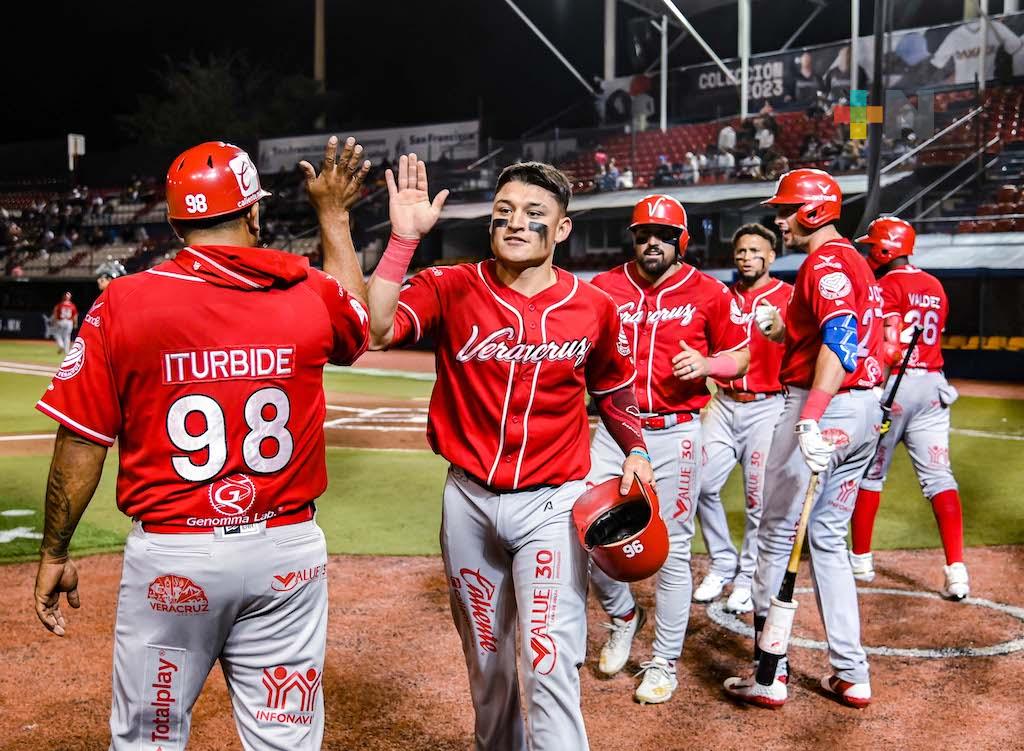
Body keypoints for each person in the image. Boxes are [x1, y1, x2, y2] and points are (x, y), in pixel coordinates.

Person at [32, 137, 372, 750]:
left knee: (147, 739)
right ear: (252, 213)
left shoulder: (123, 303)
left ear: (174, 222)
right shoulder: (308, 292)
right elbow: (358, 324)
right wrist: (332, 215)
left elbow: (81, 440)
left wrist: (56, 549)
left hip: (175, 560)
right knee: (285, 741)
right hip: (285, 553)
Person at [366, 156, 653, 750]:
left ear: (563, 229)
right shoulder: (451, 286)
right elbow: (378, 328)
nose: (515, 223)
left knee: (549, 667)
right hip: (468, 502)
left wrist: (636, 448)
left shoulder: (593, 306)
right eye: (504, 212)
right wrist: (402, 241)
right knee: (489, 672)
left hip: (552, 505)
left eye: (533, 214)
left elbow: (614, 387)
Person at [723, 168, 884, 710]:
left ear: (812, 212)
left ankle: (771, 672)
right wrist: (784, 330)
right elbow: (840, 333)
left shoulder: (827, 261)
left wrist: (813, 418)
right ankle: (851, 673)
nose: (780, 219)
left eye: (787, 209)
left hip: (825, 407)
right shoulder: (853, 262)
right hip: (862, 412)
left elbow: (840, 341)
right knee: (830, 542)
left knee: (772, 536)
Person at [587, 194, 750, 704]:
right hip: (615, 431)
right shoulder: (604, 287)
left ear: (682, 240)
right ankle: (623, 617)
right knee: (584, 531)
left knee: (675, 550)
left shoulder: (709, 292)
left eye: (662, 234)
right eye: (642, 233)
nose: (650, 242)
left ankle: (663, 662)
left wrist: (708, 366)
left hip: (676, 431)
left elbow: (741, 357)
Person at [850, 217, 969, 600]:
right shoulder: (934, 284)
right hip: (933, 384)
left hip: (895, 385)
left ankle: (861, 560)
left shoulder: (885, 285)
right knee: (940, 479)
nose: (869, 253)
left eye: (873, 246)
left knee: (870, 473)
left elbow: (888, 344)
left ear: (886, 249)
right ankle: (956, 570)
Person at [693, 223, 792, 614]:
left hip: (767, 406)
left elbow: (802, 345)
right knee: (699, 484)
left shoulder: (788, 296)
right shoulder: (720, 298)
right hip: (723, 402)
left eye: (755, 251)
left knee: (757, 500)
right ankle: (722, 562)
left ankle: (748, 577)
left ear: (770, 256)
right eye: (741, 251)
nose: (746, 257)